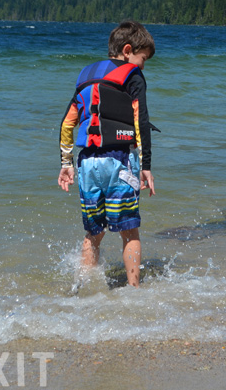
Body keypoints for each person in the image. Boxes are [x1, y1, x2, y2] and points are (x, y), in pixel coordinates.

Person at [57, 20, 157, 288]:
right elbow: (140, 120)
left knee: (93, 233)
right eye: (143, 58)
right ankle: (134, 291)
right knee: (129, 231)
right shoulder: (133, 75)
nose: (143, 65)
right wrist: (146, 165)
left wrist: (66, 163)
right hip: (118, 161)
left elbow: (68, 122)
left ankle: (82, 290)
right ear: (127, 51)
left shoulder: (85, 76)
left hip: (87, 164)